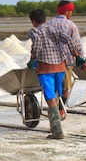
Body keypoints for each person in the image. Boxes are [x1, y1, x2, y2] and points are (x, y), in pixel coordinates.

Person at [28, 9, 73, 139]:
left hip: (45, 68)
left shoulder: (35, 31)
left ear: (33, 22)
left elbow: (36, 43)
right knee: (57, 94)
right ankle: (57, 124)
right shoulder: (54, 29)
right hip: (60, 67)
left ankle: (57, 131)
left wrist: (32, 58)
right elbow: (68, 39)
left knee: (49, 97)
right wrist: (75, 54)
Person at [47, 0, 86, 107]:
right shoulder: (70, 25)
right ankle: (60, 109)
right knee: (65, 87)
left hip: (48, 62)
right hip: (65, 62)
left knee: (52, 86)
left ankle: (54, 106)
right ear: (67, 11)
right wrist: (82, 61)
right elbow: (77, 45)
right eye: (71, 11)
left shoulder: (47, 24)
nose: (71, 14)